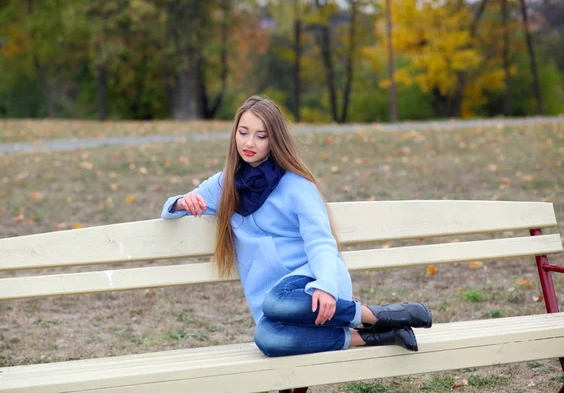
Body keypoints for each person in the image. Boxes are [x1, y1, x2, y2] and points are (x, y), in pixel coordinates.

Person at [161, 95, 432, 357]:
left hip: (313, 285)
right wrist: (183, 202)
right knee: (265, 337)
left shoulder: (297, 186)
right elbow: (172, 208)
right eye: (243, 132)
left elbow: (320, 241)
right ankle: (376, 335)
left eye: (261, 135)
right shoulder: (225, 184)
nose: (249, 142)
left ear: (274, 140)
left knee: (275, 300)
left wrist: (325, 284)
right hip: (277, 307)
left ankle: (374, 315)